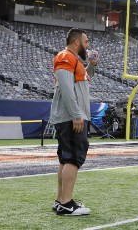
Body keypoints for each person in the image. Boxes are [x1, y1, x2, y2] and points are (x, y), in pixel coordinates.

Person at [50, 28, 98, 216]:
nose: (88, 45)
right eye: (86, 42)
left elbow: (83, 81)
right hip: (71, 117)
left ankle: (61, 200)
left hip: (72, 115)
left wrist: (92, 65)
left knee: (66, 158)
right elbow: (67, 89)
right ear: (77, 42)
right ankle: (66, 203)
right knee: (72, 158)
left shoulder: (74, 60)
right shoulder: (65, 57)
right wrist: (76, 114)